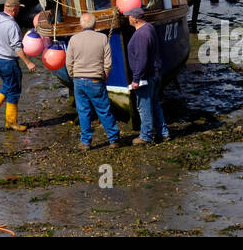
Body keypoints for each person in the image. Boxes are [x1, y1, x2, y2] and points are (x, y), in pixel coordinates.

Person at [65, 12, 120, 150]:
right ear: (95, 24)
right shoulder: (102, 38)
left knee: (83, 111)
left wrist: (73, 75)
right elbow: (108, 62)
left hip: (78, 79)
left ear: (81, 24)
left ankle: (86, 142)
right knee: (103, 110)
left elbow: (68, 62)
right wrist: (105, 75)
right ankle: (114, 139)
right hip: (95, 79)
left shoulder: (74, 39)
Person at [0, 0, 36, 131]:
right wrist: (28, 62)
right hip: (8, 62)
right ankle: (11, 122)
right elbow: (17, 47)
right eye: (18, 9)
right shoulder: (12, 25)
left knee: (7, 85)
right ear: (13, 9)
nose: (19, 11)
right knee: (14, 90)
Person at [125, 8, 168, 145]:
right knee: (155, 104)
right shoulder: (150, 27)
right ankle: (163, 132)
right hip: (155, 73)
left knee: (144, 107)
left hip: (146, 76)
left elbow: (142, 59)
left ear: (135, 19)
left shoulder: (141, 35)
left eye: (130, 16)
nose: (128, 19)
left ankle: (146, 136)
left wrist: (136, 79)